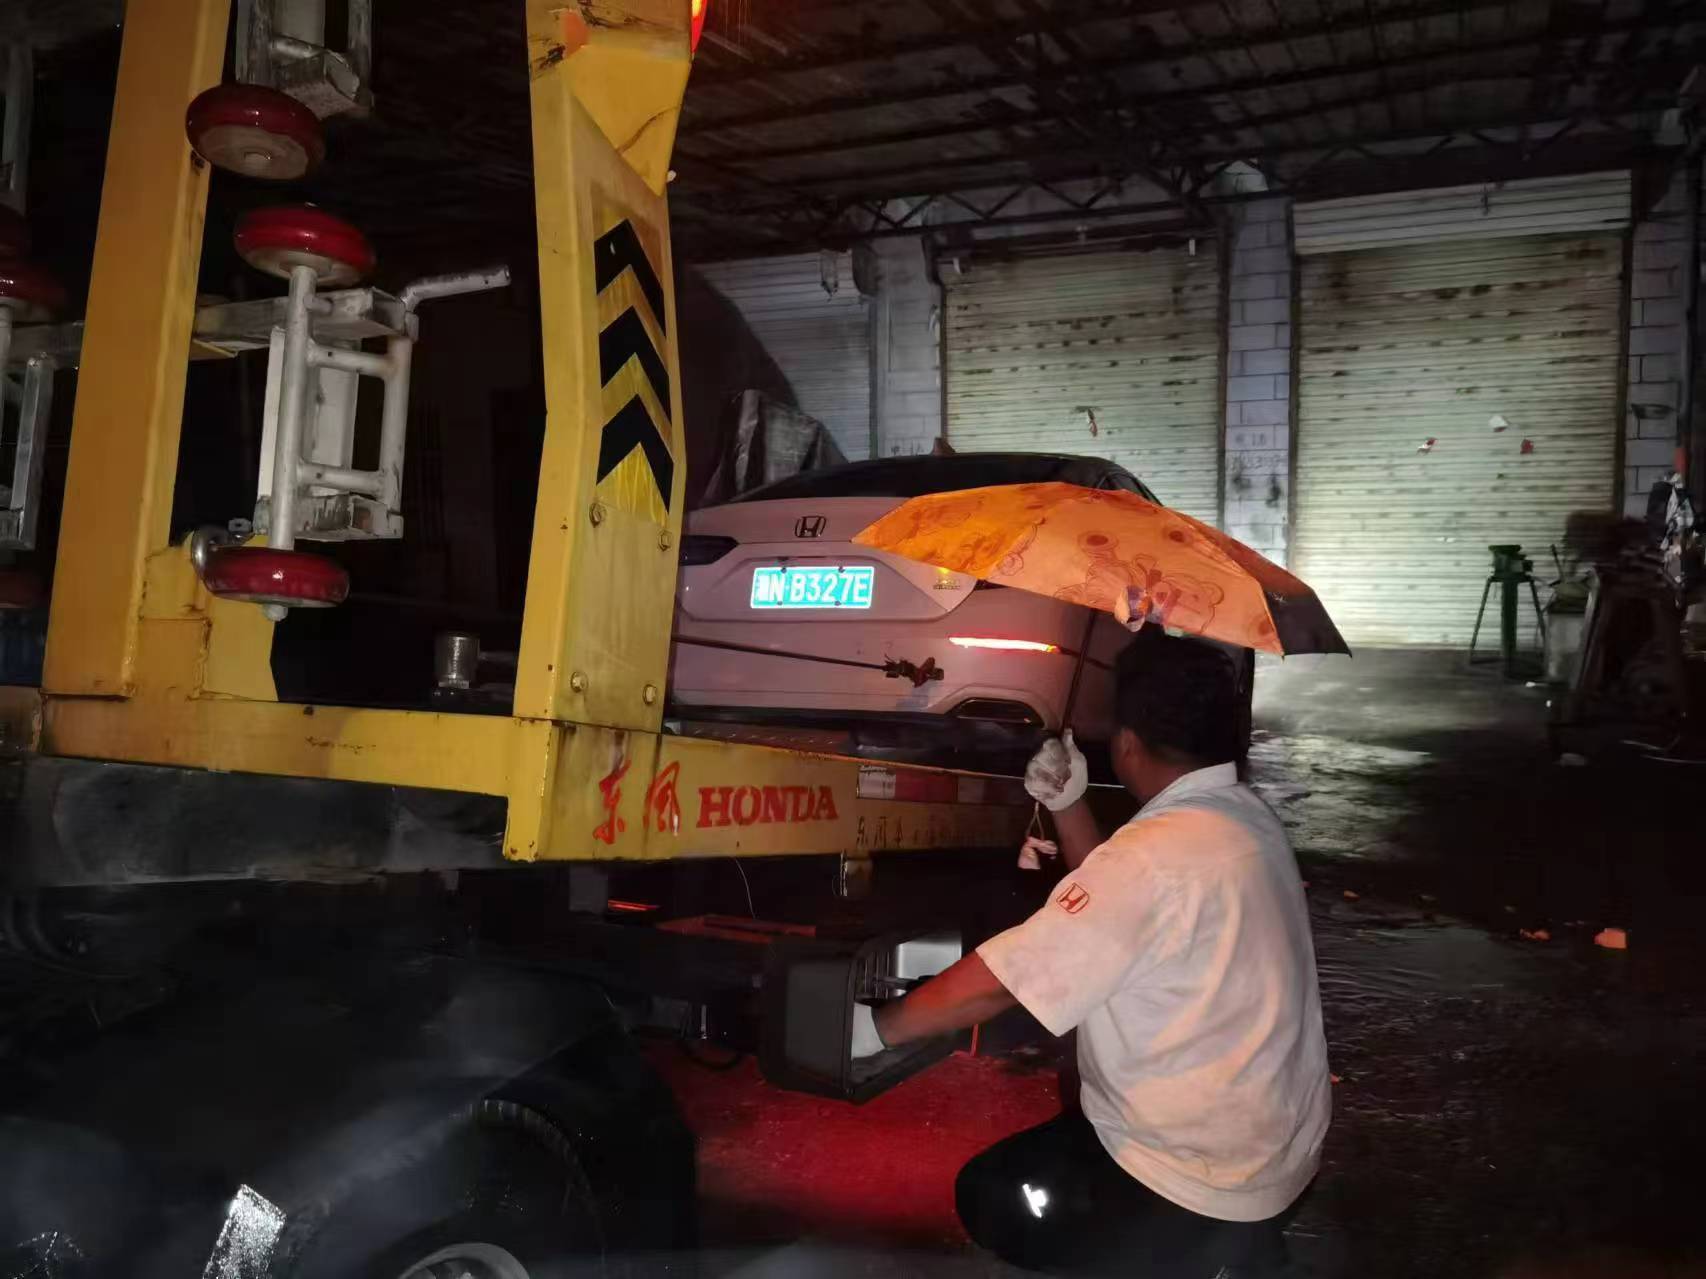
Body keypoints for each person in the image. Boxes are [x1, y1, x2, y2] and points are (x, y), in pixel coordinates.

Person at [852, 630, 1330, 1277]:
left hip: (1196, 1181)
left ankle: (1185, 1257)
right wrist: (1069, 803)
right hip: (1275, 1147)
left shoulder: (1155, 857)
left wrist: (876, 1029)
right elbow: (1118, 913)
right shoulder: (1242, 816)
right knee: (1077, 1114)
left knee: (993, 1195)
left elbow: (1006, 981)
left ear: (1127, 743)